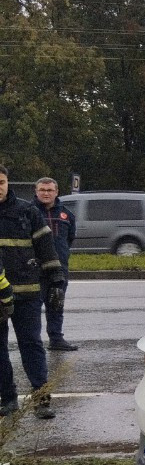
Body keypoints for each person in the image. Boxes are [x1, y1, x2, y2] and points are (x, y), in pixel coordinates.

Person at [0, 166, 65, 419]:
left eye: (2, 182)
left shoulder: (27, 211)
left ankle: (41, 400)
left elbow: (46, 248)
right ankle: (8, 399)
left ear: (8, 182)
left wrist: (56, 279)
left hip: (26, 293)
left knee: (32, 345)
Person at [34, 178, 77, 351]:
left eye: (49, 190)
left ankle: (56, 338)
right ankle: (33, 341)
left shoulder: (67, 215)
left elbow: (70, 238)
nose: (46, 193)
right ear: (36, 192)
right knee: (33, 308)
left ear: (56, 192)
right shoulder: (29, 212)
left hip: (60, 269)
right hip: (35, 269)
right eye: (42, 190)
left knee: (56, 303)